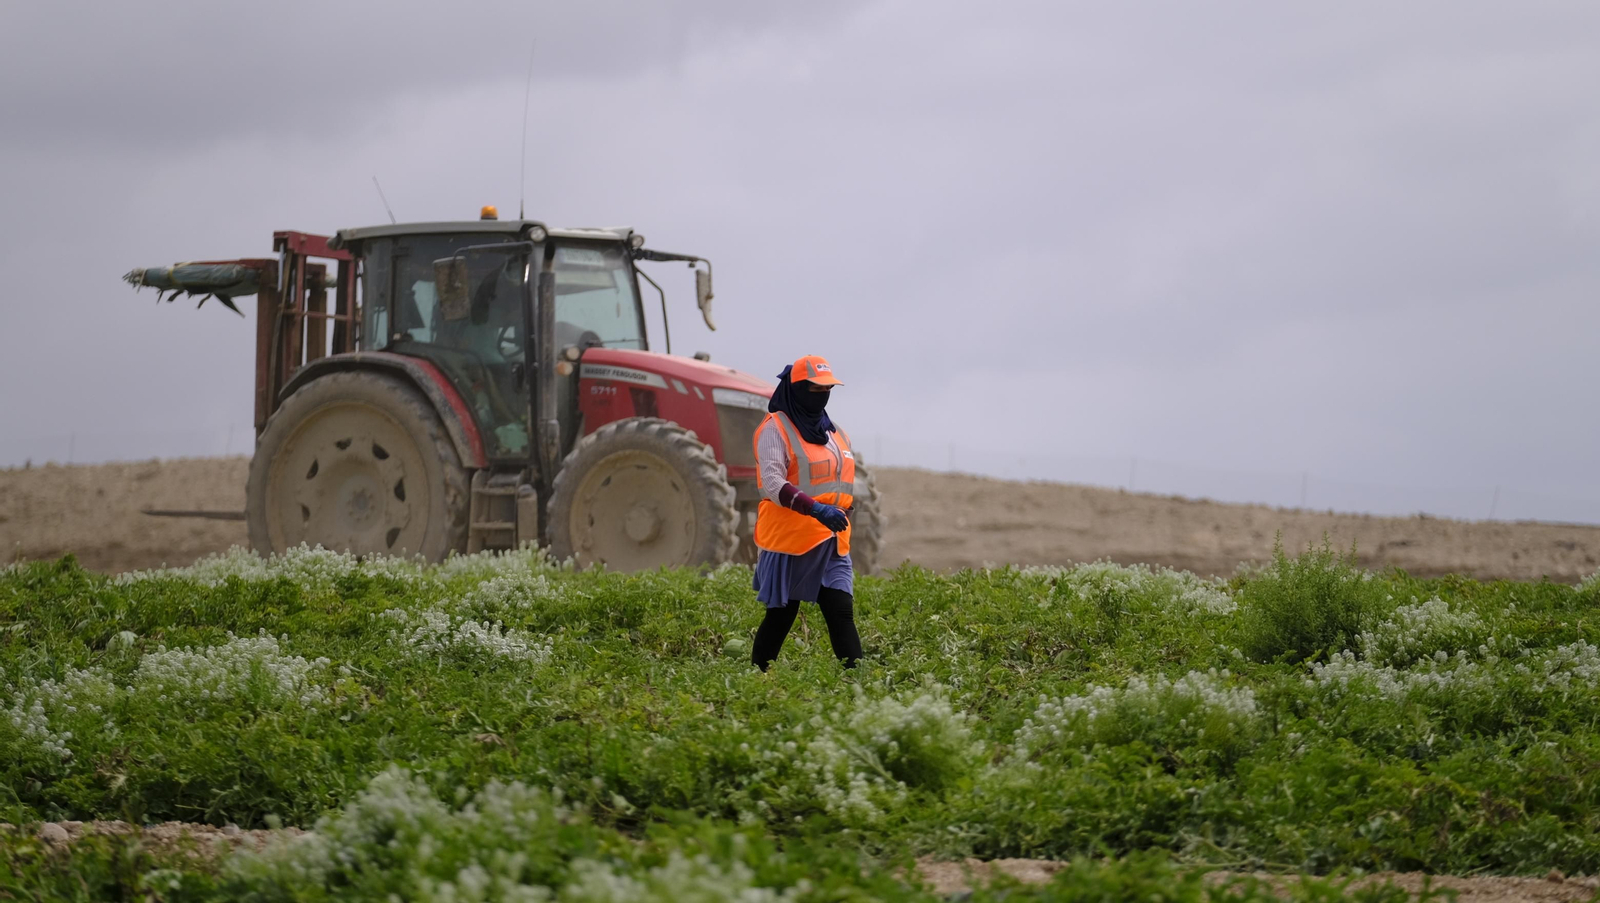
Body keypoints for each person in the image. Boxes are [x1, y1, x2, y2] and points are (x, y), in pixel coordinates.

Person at [750, 354, 864, 671]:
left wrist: (842, 506)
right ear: (796, 389)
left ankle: (859, 684)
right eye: (814, 389)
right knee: (782, 613)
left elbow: (835, 479)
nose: (822, 395)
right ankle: (756, 676)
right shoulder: (775, 429)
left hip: (831, 538)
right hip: (791, 538)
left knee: (841, 609)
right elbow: (773, 482)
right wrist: (815, 508)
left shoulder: (835, 432)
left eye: (826, 389)